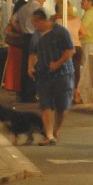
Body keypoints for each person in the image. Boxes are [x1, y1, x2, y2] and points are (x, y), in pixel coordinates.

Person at [27, 8, 75, 146]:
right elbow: (32, 53)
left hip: (63, 73)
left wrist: (57, 63)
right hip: (43, 73)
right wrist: (30, 67)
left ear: (43, 20)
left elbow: (70, 50)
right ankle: (48, 134)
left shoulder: (61, 32)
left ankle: (55, 130)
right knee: (45, 104)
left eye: (35, 21)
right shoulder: (36, 35)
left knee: (62, 106)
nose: (34, 25)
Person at [54, 0, 87, 104]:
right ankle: (76, 95)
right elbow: (85, 33)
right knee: (76, 71)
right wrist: (76, 37)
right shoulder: (77, 19)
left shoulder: (59, 21)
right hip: (77, 47)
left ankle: (65, 95)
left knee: (64, 71)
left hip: (64, 48)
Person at [17, 0, 47, 102]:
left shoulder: (23, 8)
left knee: (25, 64)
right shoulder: (39, 9)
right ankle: (31, 93)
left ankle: (24, 93)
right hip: (36, 36)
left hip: (25, 37)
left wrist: (22, 29)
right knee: (35, 65)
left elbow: (13, 21)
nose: (44, 0)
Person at [3, 0, 28, 93]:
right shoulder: (16, 18)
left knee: (15, 67)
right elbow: (7, 31)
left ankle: (14, 85)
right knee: (18, 66)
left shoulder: (16, 17)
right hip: (17, 45)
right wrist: (21, 35)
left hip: (14, 46)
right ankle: (16, 86)